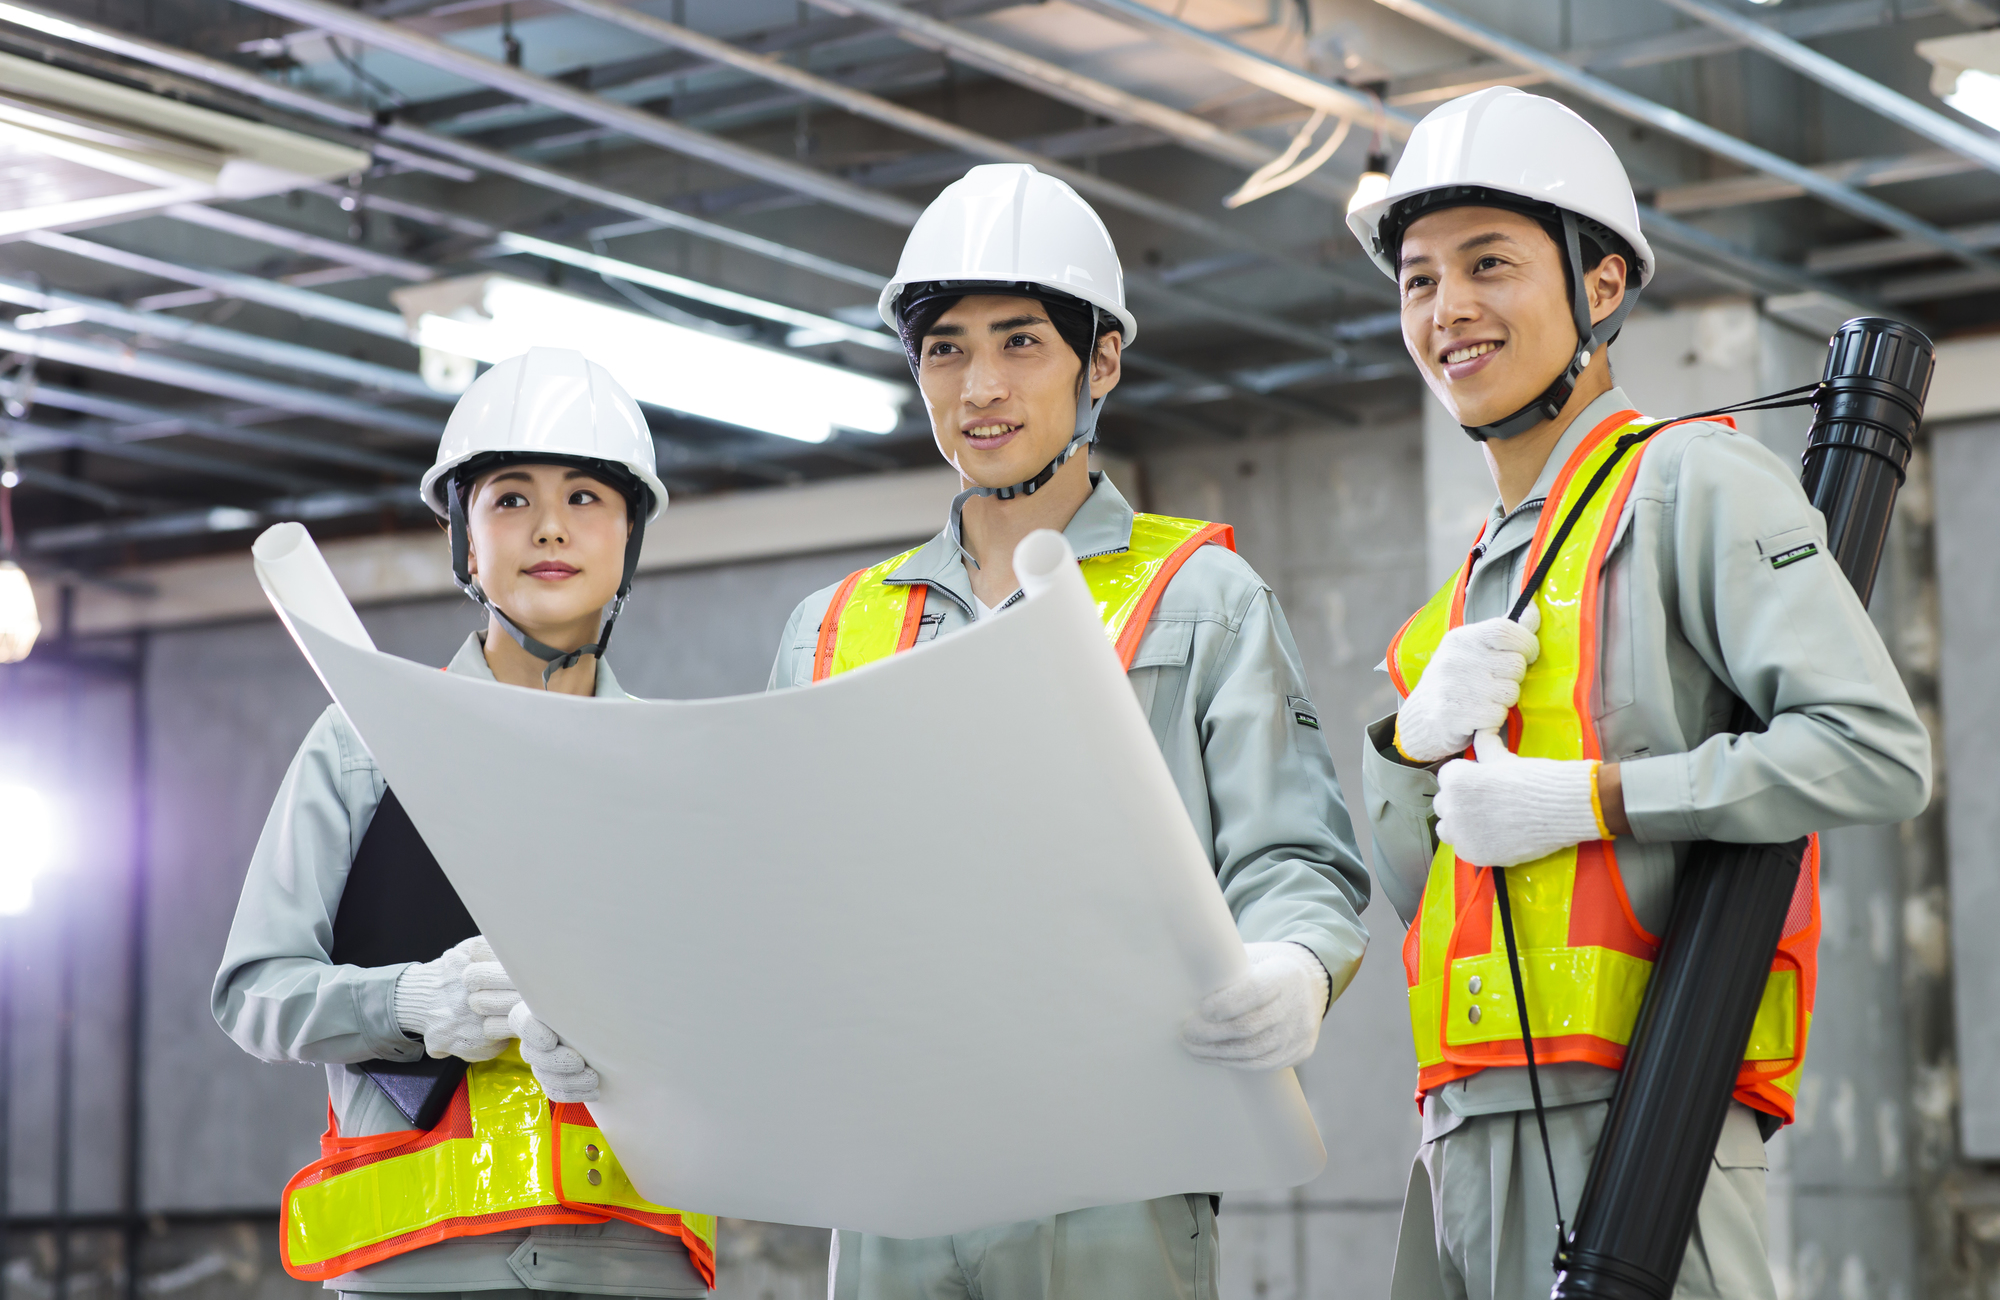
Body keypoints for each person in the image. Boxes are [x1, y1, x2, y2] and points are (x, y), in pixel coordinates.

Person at [1347, 88, 1931, 1300]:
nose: (1445, 308)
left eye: (1487, 264)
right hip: (1460, 1127)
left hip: (1645, 1121)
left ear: (1600, 285)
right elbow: (1419, 890)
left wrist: (1596, 798)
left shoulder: (1690, 484)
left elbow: (1873, 751)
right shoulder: (1449, 605)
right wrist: (1407, 745)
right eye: (1415, 279)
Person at [767, 162, 1371, 1300]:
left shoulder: (1204, 597)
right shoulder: (829, 626)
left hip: (1117, 1161)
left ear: (1100, 361)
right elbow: (780, 902)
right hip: (897, 1164)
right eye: (944, 347)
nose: (978, 385)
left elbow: (1294, 856)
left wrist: (1293, 963)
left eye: (1020, 342)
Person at [213, 348, 718, 1298]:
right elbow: (254, 992)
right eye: (511, 498)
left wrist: (649, 1047)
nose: (551, 528)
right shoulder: (366, 739)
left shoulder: (681, 766)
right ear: (465, 539)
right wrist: (407, 1004)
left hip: (631, 1265)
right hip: (416, 1266)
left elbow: (748, 1018)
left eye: (586, 498)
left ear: (628, 538)